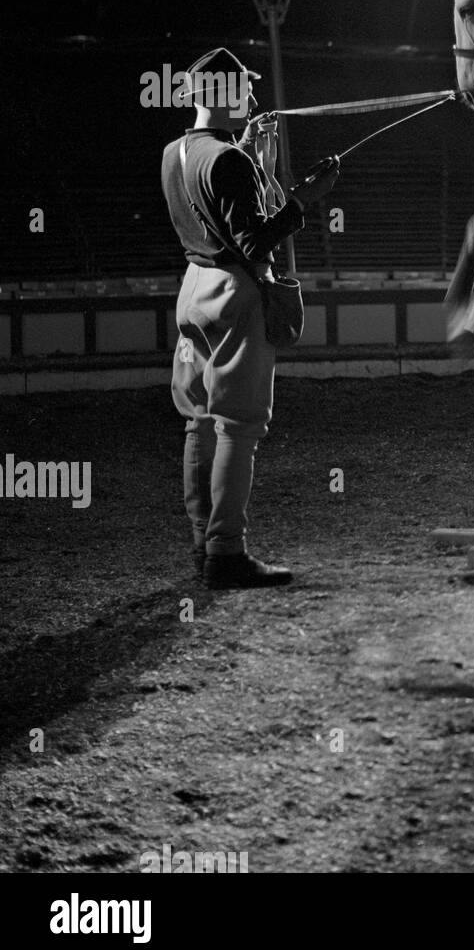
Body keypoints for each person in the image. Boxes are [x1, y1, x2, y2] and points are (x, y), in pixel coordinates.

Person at [160, 47, 340, 589]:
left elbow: (213, 208)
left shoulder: (175, 152)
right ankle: (226, 552)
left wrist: (252, 159)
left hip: (193, 289)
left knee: (199, 419)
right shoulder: (229, 161)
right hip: (235, 293)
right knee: (240, 425)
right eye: (245, 87)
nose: (254, 97)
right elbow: (252, 238)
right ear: (225, 95)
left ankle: (203, 543)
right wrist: (304, 200)